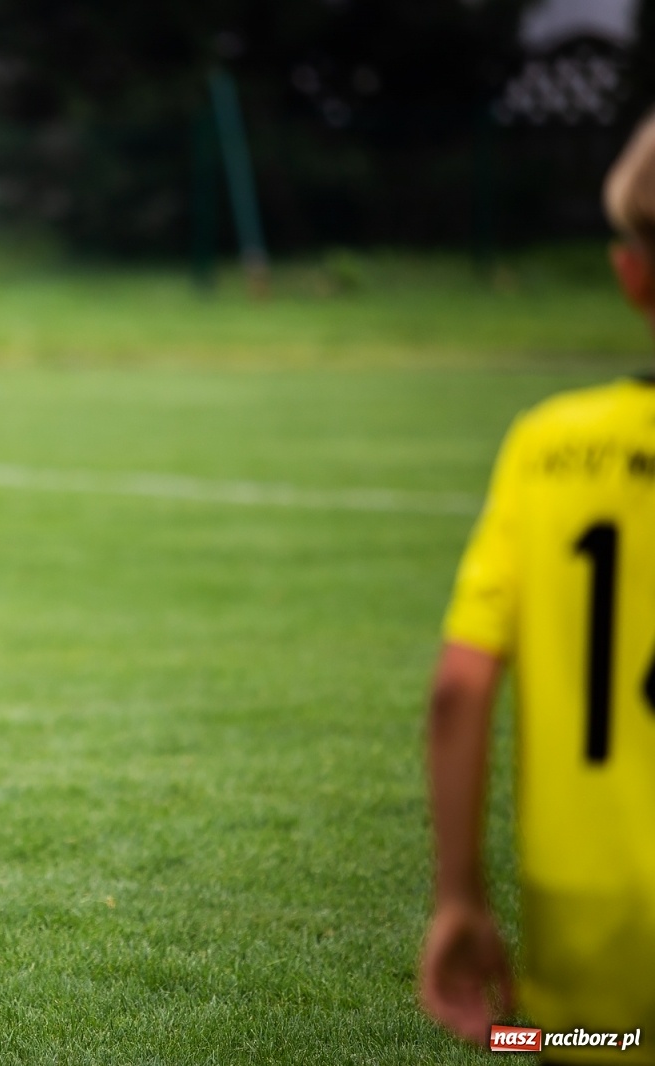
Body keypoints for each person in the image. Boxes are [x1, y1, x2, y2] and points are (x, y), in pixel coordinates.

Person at [420, 114, 655, 1064]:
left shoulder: (552, 447)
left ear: (628, 273)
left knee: (549, 1043)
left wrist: (461, 895)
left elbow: (459, 687)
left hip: (589, 916)